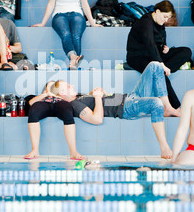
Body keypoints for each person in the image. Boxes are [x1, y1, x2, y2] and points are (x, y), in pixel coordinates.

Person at [51, 62, 179, 159]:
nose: (72, 85)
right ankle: (164, 148)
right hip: (126, 107)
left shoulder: (77, 96)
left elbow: (98, 102)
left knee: (154, 65)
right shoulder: (74, 104)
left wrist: (97, 93)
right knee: (156, 103)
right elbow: (97, 119)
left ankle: (167, 107)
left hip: (130, 97)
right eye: (68, 86)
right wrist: (97, 97)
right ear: (62, 93)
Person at [33, 0, 102, 70]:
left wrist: (93, 23)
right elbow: (51, 3)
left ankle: (73, 61)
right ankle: (74, 58)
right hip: (59, 15)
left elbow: (85, 4)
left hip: (76, 14)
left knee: (76, 36)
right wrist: (43, 23)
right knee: (66, 35)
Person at [126, 0, 191, 112]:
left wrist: (165, 49)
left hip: (155, 56)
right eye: (165, 16)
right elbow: (150, 44)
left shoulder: (160, 23)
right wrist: (161, 64)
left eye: (168, 18)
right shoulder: (145, 22)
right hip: (138, 57)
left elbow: (158, 42)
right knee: (159, 72)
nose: (166, 20)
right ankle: (175, 107)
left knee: (186, 51)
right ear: (157, 11)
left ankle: (166, 69)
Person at [25, 81, 84, 160]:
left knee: (67, 112)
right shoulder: (40, 97)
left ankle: (73, 152)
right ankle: (34, 150)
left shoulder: (62, 97)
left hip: (60, 104)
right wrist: (46, 94)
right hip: (45, 104)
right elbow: (31, 102)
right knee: (33, 111)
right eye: (49, 88)